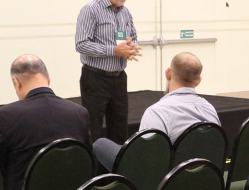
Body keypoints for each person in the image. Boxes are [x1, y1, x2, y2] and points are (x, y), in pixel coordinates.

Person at [0, 55, 91, 190]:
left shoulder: (4, 117)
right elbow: (87, 161)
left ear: (16, 82)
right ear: (48, 80)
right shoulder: (79, 113)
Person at [92, 52, 220, 170]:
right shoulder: (210, 110)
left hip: (166, 181)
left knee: (100, 144)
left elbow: (147, 162)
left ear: (168, 73)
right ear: (198, 80)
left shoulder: (157, 113)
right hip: (206, 179)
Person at [75, 0, 142, 143]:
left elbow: (133, 37)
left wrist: (131, 47)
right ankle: (94, 162)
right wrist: (114, 50)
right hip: (95, 79)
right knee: (93, 130)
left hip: (119, 79)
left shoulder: (125, 12)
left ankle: (117, 160)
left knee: (120, 130)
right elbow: (81, 44)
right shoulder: (91, 10)